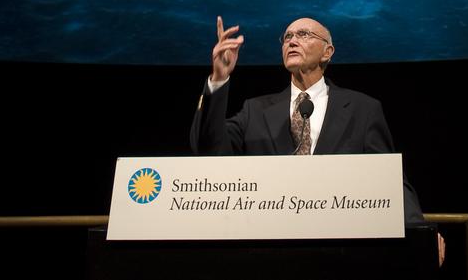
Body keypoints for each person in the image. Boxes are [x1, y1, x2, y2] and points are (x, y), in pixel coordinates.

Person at [191, 15, 445, 267]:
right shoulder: (254, 110)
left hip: (342, 251)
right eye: (287, 37)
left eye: (303, 35)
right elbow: (208, 150)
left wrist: (419, 232)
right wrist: (218, 79)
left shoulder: (362, 109)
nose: (292, 41)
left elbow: (389, 179)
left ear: (327, 52)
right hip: (271, 252)